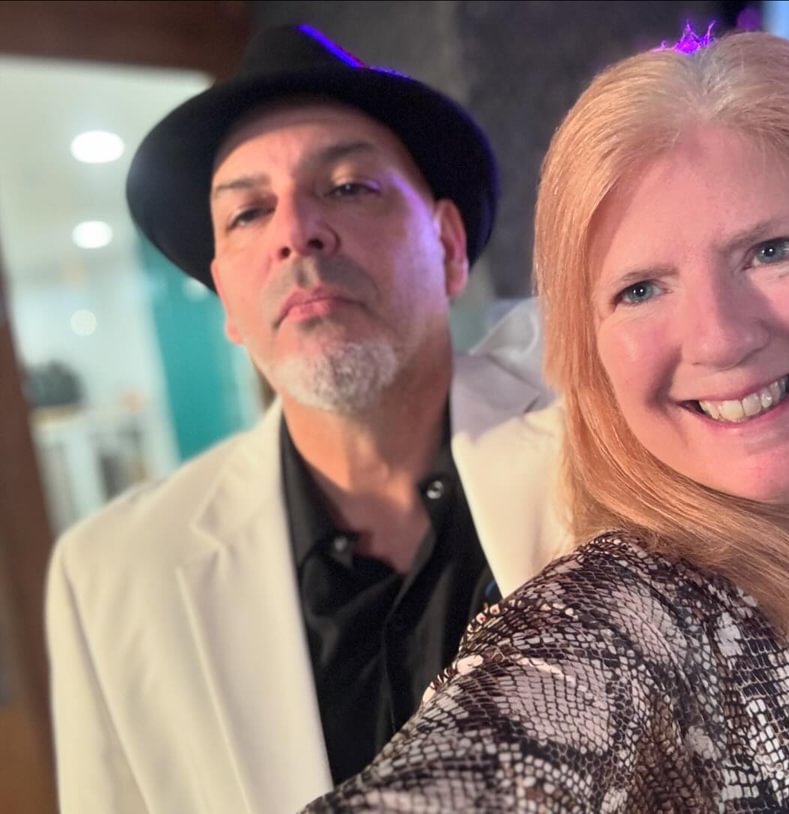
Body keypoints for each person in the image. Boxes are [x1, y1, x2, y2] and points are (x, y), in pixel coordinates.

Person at [302, 28, 789, 812]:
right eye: (640, 290)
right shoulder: (624, 623)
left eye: (772, 250)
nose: (721, 338)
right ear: (594, 356)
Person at [44, 24, 569, 814]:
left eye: (350, 186)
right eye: (249, 213)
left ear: (448, 245)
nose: (296, 232)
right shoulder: (111, 580)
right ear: (226, 298)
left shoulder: (600, 451)